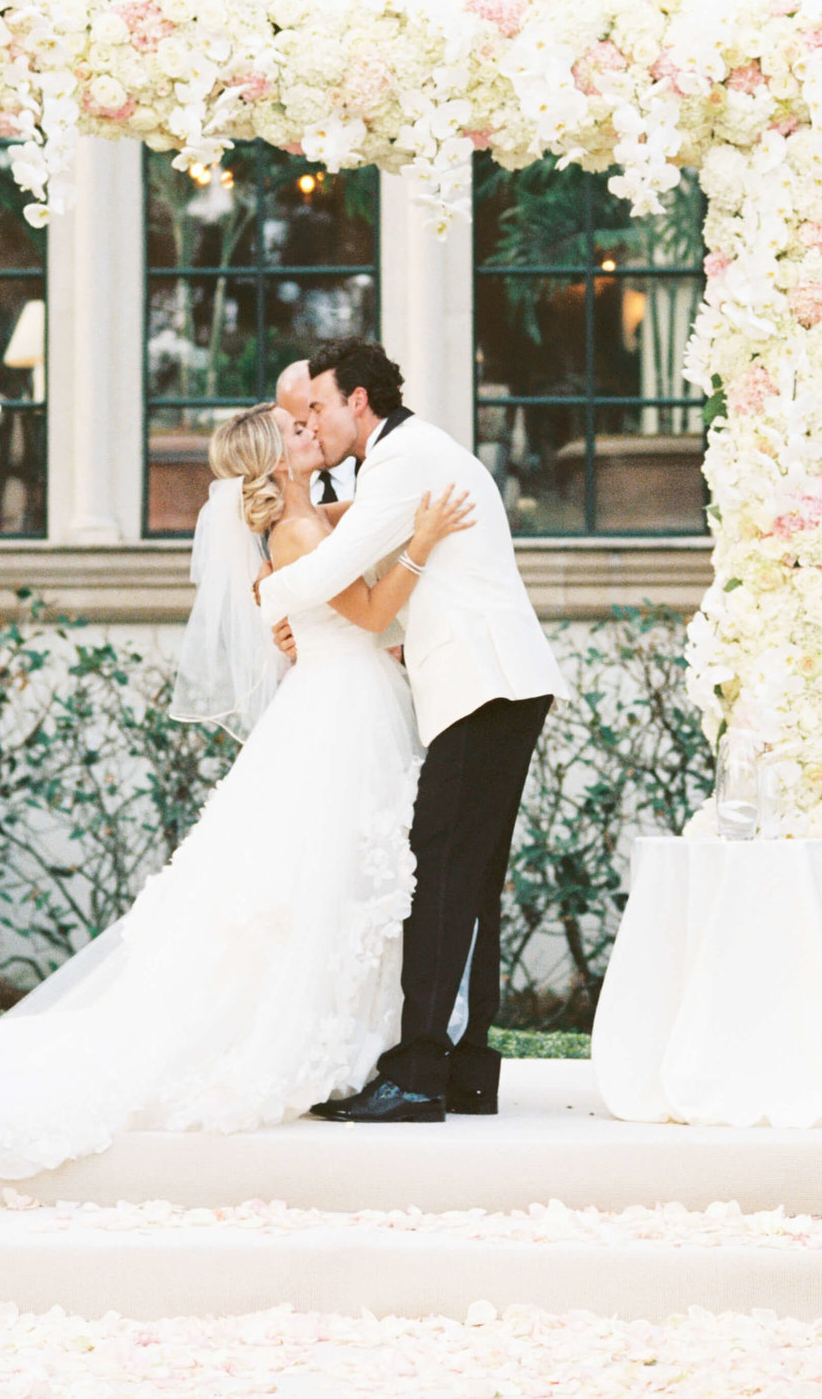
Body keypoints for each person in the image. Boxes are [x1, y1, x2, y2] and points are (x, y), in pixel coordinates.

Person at [0, 404, 473, 1178]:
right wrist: (424, 544)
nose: (310, 431)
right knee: (327, 872)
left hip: (341, 702)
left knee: (335, 875)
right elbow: (369, 609)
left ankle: (350, 1037)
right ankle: (313, 1037)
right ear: (276, 463)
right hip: (341, 712)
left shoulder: (306, 521)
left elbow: (348, 531)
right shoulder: (297, 534)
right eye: (296, 432)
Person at [259, 338, 570, 1124]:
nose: (313, 419)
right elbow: (352, 526)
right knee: (470, 877)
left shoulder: (402, 461)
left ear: (357, 402)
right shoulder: (405, 457)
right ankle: (467, 1068)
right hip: (498, 684)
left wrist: (266, 596)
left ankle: (418, 1075)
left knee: (438, 870)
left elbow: (337, 568)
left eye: (320, 406)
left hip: (481, 686)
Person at [275, 359, 357, 505]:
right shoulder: (272, 494)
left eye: (319, 414)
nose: (312, 432)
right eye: (299, 429)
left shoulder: (377, 466)